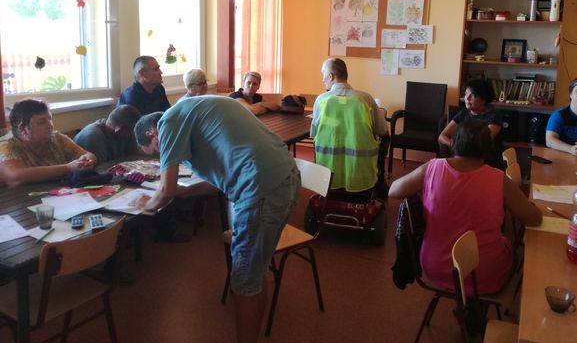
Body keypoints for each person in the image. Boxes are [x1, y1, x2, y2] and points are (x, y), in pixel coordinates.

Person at [132, 96, 300, 343]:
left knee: (243, 283)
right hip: (285, 177)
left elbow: (165, 191)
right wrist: (185, 192)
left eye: (156, 151)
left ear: (151, 133)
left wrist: (144, 206)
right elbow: (221, 181)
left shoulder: (168, 122)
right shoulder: (192, 110)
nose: (163, 155)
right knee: (255, 274)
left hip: (261, 190)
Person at [389, 120, 541, 294]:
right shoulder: (499, 179)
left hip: (435, 267)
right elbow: (534, 219)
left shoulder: (431, 168)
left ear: (453, 143)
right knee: (509, 247)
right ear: (487, 148)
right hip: (484, 273)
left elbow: (393, 190)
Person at [311, 57, 389, 195]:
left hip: (329, 176)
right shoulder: (366, 99)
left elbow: (313, 133)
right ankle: (380, 181)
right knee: (386, 137)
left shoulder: (321, 100)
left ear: (331, 76)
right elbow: (382, 130)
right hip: (360, 175)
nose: (323, 79)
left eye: (323, 75)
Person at [0, 99, 96, 187]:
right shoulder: (6, 146)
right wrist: (68, 168)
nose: (50, 125)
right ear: (22, 128)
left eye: (50, 119)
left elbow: (88, 155)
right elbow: (16, 177)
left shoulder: (57, 138)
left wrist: (85, 162)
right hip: (20, 199)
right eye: (41, 122)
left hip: (59, 194)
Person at [438, 78, 504, 168]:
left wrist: (459, 148)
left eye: (473, 95)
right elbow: (442, 136)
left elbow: (482, 143)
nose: (467, 98)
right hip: (463, 159)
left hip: (487, 162)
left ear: (484, 99)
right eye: (466, 94)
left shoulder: (494, 116)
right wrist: (454, 144)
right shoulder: (463, 113)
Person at [74, 104, 141, 164]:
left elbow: (133, 155)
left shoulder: (126, 130)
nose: (133, 134)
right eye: (131, 131)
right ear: (118, 129)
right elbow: (99, 169)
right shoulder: (93, 137)